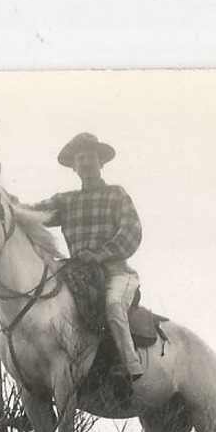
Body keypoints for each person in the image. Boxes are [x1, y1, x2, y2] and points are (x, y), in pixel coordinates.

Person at [29, 132, 145, 385]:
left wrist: (101, 254)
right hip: (78, 273)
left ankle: (129, 367)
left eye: (90, 157)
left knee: (113, 306)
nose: (85, 162)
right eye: (80, 158)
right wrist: (3, 201)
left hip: (116, 273)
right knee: (44, 306)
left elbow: (131, 232)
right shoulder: (66, 200)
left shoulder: (117, 194)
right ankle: (37, 383)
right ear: (73, 166)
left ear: (101, 162)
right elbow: (32, 213)